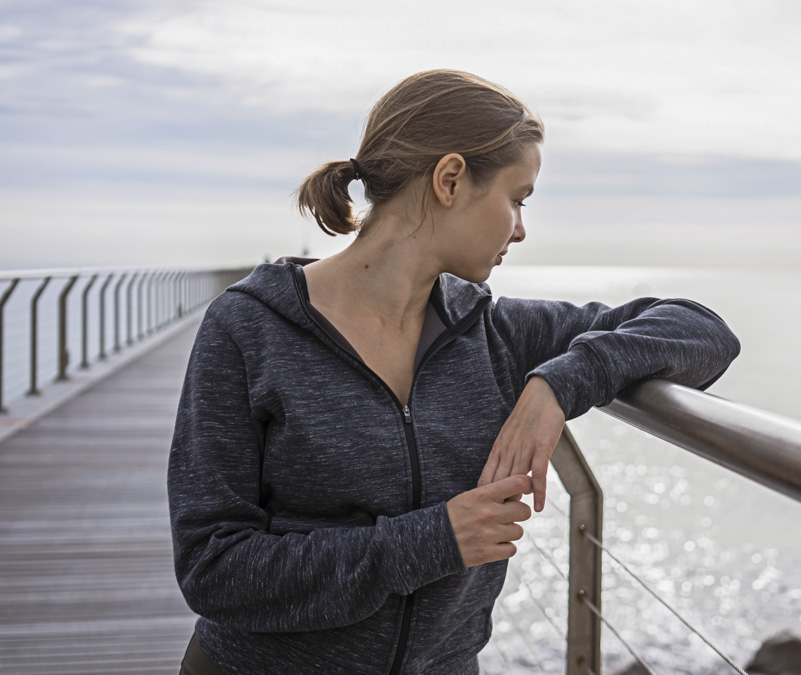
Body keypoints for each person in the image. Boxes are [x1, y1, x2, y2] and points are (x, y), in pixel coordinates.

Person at [168, 68, 741, 675]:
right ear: (449, 179)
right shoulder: (248, 329)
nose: (521, 229)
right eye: (516, 199)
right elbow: (212, 569)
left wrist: (557, 384)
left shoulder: (496, 334)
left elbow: (704, 332)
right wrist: (430, 542)